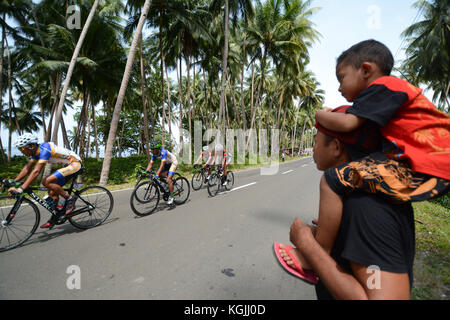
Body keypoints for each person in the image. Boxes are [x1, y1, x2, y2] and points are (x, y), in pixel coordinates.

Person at [291, 39, 450, 273]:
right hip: (432, 166)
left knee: (333, 180)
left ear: (366, 70)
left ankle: (318, 252)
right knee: (358, 179)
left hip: (427, 167)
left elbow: (348, 124)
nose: (339, 87)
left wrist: (319, 114)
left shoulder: (385, 86)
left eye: (341, 77)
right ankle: (329, 229)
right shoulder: (390, 92)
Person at [274, 117, 415, 299]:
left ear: (336, 147)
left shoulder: (366, 206)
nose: (314, 148)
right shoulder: (352, 195)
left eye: (316, 142)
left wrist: (307, 244)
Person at [8, 133, 82, 229]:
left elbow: (36, 171)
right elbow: (27, 169)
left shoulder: (45, 150)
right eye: (19, 149)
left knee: (46, 181)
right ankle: (57, 216)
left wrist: (21, 188)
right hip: (67, 165)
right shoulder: (35, 153)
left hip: (75, 163)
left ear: (31, 146)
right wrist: (14, 181)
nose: (21, 151)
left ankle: (69, 199)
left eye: (22, 149)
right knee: (52, 193)